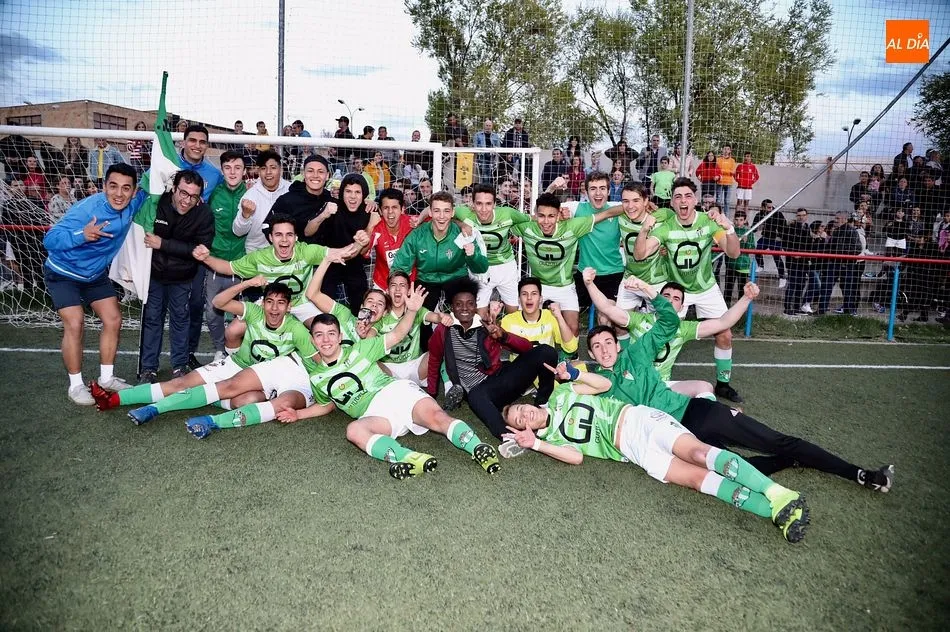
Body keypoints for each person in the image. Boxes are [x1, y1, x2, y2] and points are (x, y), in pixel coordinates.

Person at [583, 289, 894, 512]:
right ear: (592, 355)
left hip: (697, 414)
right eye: (597, 347)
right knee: (734, 470)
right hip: (676, 439)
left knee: (778, 440)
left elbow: (669, 324)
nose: (605, 349)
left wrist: (653, 294)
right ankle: (790, 462)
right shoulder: (600, 385)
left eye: (608, 342)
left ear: (618, 344)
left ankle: (860, 474)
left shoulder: (636, 353)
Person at [502, 366, 811, 543]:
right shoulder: (551, 438)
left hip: (640, 421)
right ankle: (775, 512)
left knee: (699, 454)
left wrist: (574, 373)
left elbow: (604, 384)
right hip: (633, 452)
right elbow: (577, 458)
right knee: (695, 480)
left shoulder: (560, 395)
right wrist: (536, 445)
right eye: (518, 420)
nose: (524, 416)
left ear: (528, 403)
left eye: (521, 409)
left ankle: (778, 492)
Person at [271, 284, 503, 479]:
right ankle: (411, 459)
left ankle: (478, 448)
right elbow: (325, 404)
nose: (326, 339)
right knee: (354, 430)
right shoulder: (317, 377)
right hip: (375, 414)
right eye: (319, 335)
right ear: (312, 340)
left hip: (395, 392)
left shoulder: (361, 348)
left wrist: (412, 311)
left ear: (340, 337)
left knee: (437, 418)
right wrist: (298, 414)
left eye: (331, 333)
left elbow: (396, 335)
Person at [92, 277, 317, 426]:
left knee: (245, 401)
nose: (274, 308)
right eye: (270, 302)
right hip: (236, 365)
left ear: (288, 307)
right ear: (263, 303)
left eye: (280, 303)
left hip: (260, 379)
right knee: (180, 383)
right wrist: (246, 284)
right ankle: (113, 400)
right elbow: (219, 302)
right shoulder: (255, 313)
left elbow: (316, 361)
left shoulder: (297, 330)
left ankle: (207, 396)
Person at [42, 163, 147, 404]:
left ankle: (106, 378)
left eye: (125, 188)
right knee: (75, 323)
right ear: (103, 186)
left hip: (94, 275)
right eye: (113, 187)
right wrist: (82, 235)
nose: (119, 194)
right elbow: (50, 239)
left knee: (113, 319)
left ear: (133, 191)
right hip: (63, 272)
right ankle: (76, 386)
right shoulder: (87, 209)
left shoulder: (133, 203)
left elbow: (153, 182)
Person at [633, 177, 743, 403]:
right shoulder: (665, 228)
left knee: (725, 334)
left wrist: (729, 228)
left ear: (696, 200)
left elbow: (733, 253)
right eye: (677, 197)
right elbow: (640, 254)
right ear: (672, 203)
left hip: (706, 288)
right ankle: (649, 379)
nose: (683, 201)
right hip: (677, 292)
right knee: (663, 336)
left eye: (688, 196)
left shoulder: (708, 222)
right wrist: (644, 231)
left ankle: (722, 384)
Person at [426, 277, 558, 441]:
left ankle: (542, 403)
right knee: (475, 396)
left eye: (470, 303)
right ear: (452, 307)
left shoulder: (485, 325)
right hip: (480, 393)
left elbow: (527, 349)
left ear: (475, 305)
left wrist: (502, 335)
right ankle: (509, 437)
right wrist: (431, 395)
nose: (464, 308)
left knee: (546, 352)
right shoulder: (443, 330)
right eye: (459, 304)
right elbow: (434, 360)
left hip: (502, 380)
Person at [193, 214, 359, 330]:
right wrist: (206, 258)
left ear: (296, 238)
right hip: (270, 305)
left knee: (321, 328)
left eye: (289, 235)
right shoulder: (259, 258)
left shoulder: (306, 252)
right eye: (279, 235)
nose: (284, 240)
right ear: (271, 238)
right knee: (233, 331)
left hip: (301, 304)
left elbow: (341, 253)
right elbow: (228, 268)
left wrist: (359, 243)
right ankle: (238, 364)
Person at [138, 170, 215, 383]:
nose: (186, 200)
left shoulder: (204, 214)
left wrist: (163, 244)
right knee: (152, 318)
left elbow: (201, 248)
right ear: (174, 188)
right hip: (153, 274)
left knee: (181, 319)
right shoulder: (157, 203)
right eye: (183, 193)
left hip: (183, 276)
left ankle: (179, 366)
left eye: (193, 196)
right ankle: (148, 368)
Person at [510, 192, 621, 337]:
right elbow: (505, 222)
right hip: (539, 286)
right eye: (541, 216)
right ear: (535, 215)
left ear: (558, 216)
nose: (546, 221)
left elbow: (607, 214)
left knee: (573, 328)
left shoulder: (572, 227)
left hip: (565, 286)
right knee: (525, 328)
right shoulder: (526, 228)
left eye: (551, 216)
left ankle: (568, 358)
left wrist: (639, 207)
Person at [391, 191, 489, 313]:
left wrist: (473, 255)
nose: (442, 216)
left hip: (456, 277)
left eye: (446, 211)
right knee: (418, 315)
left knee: (464, 309)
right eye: (437, 211)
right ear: (430, 212)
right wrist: (397, 287)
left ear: (452, 213)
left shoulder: (463, 234)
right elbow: (400, 267)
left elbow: (482, 268)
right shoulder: (417, 235)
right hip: (426, 279)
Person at [453, 183, 531, 318]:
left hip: (505, 267)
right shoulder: (463, 212)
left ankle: (506, 337)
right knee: (479, 316)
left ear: (495, 204)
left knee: (514, 314)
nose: (483, 209)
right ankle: (486, 338)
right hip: (479, 268)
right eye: (479, 203)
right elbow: (443, 214)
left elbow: (532, 219)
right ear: (472, 203)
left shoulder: (507, 213)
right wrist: (461, 224)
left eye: (488, 204)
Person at [308, 173, 378, 313]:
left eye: (357, 192)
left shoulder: (368, 211)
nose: (353, 196)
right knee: (323, 304)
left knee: (361, 303)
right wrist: (322, 216)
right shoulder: (332, 207)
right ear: (342, 193)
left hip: (354, 262)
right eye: (348, 191)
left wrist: (370, 226)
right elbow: (307, 232)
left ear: (364, 194)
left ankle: (358, 330)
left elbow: (363, 251)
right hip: (329, 261)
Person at [204, 151, 248, 363]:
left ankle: (238, 351)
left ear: (244, 171)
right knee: (213, 312)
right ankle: (220, 349)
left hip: (241, 263)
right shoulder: (213, 193)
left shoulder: (250, 195)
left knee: (240, 313)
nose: (232, 172)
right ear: (222, 171)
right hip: (216, 261)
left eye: (237, 168)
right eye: (228, 168)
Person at [375, 269, 453, 386]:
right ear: (387, 291)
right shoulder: (381, 314)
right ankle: (396, 388)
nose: (397, 289)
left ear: (408, 291)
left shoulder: (416, 310)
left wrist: (443, 317)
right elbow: (369, 338)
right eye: (393, 285)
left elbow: (436, 317)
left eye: (402, 285)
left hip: (415, 366)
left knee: (441, 341)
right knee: (371, 361)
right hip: (388, 369)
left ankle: (448, 386)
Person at [571, 172, 625, 319]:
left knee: (605, 316)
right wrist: (551, 187)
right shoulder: (576, 209)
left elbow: (639, 205)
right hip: (585, 273)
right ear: (586, 191)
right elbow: (544, 208)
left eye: (602, 188)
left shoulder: (619, 208)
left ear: (609, 191)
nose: (598, 193)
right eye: (593, 188)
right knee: (566, 311)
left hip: (612, 273)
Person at [615, 183, 670, 310]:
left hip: (657, 282)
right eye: (625, 201)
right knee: (621, 326)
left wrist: (668, 247)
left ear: (646, 201)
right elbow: (602, 210)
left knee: (660, 325)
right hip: (630, 279)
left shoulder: (662, 219)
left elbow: (676, 220)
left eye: (636, 200)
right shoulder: (620, 216)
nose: (630, 206)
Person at [499, 276, 578, 358]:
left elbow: (571, 348)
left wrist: (559, 317)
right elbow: (492, 347)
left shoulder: (551, 316)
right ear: (519, 299)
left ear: (540, 299)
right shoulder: (509, 320)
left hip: (546, 368)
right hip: (519, 368)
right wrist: (493, 319)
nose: (529, 298)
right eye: (524, 294)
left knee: (579, 366)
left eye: (534, 294)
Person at [233, 150, 291, 253]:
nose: (268, 172)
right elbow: (238, 232)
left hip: (288, 252)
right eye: (264, 168)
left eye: (273, 168)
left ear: (280, 170)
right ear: (259, 172)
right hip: (257, 254)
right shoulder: (250, 196)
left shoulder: (291, 190)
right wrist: (244, 215)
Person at [782, 207, 814, 316]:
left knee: (801, 284)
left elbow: (809, 244)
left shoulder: (807, 228)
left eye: (803, 215)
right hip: (793, 261)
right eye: (799, 215)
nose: (801, 217)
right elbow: (785, 243)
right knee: (793, 284)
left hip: (804, 261)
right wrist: (792, 253)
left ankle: (796, 307)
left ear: (806, 216)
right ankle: (787, 307)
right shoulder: (791, 227)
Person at [751, 200, 787, 288]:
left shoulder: (777, 214)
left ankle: (782, 277)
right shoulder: (759, 215)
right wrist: (757, 227)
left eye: (771, 207)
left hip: (775, 239)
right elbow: (753, 228)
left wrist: (780, 236)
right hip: (766, 238)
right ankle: (761, 265)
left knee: (777, 258)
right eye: (768, 207)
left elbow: (784, 227)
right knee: (758, 249)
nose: (771, 209)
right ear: (763, 207)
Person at [723, 209, 755, 306]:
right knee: (728, 289)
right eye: (736, 220)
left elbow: (752, 248)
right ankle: (725, 309)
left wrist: (746, 242)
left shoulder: (748, 232)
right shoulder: (730, 230)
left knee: (742, 289)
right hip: (731, 264)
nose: (738, 222)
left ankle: (740, 311)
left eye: (741, 220)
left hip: (743, 266)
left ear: (745, 220)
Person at [474, 118, 501, 185]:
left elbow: (498, 147)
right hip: (482, 156)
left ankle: (490, 188)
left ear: (492, 126)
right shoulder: (478, 135)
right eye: (486, 125)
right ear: (484, 126)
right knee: (484, 174)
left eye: (489, 125)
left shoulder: (496, 136)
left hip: (492, 157)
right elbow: (475, 147)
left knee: (491, 174)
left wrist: (495, 153)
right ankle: (484, 188)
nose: (488, 127)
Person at [716, 146, 737, 218]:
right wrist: (728, 172)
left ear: (730, 151)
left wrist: (722, 171)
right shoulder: (718, 159)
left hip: (729, 183)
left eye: (727, 149)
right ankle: (718, 216)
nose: (726, 150)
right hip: (719, 182)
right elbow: (717, 170)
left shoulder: (732, 161)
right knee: (718, 201)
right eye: (724, 149)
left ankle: (726, 218)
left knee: (727, 202)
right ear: (722, 150)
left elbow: (733, 172)